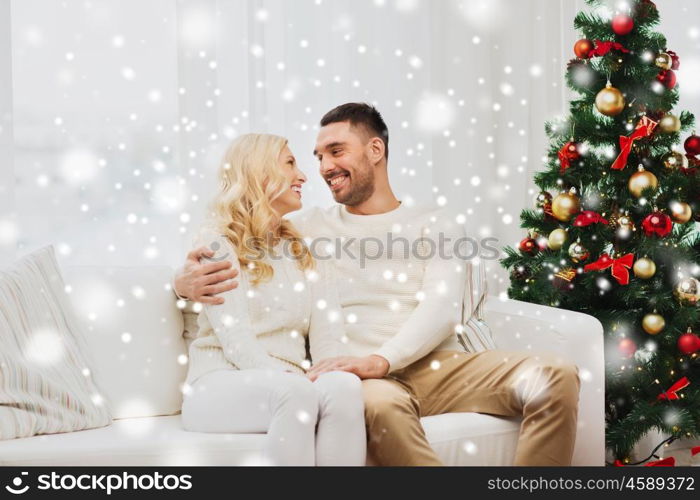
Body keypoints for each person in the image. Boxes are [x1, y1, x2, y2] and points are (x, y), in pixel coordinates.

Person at [175, 103, 581, 466]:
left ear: (375, 150)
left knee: (555, 373)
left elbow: (442, 307)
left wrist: (385, 357)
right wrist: (182, 283)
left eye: (336, 151)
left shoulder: (433, 223)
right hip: (365, 380)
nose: (322, 167)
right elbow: (242, 240)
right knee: (381, 409)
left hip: (436, 367)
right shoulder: (303, 230)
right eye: (317, 157)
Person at [178, 133, 366, 466]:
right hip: (220, 383)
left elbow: (328, 339)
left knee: (345, 387)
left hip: (290, 385)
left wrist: (329, 372)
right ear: (259, 173)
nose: (304, 176)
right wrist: (294, 381)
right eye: (290, 164)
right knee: (294, 394)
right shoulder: (218, 243)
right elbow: (237, 343)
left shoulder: (307, 250)